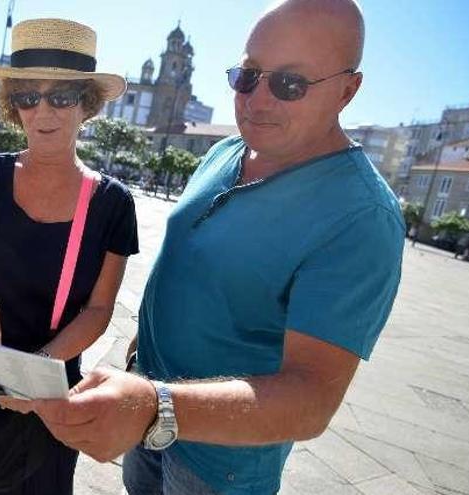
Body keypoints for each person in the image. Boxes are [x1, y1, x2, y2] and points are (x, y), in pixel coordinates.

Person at [33, 1, 405, 494]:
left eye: (289, 84)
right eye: (248, 76)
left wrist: (155, 403)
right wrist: (139, 367)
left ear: (348, 89)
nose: (257, 101)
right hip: (149, 424)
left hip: (219, 465)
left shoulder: (360, 217)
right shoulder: (226, 151)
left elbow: (311, 400)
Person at [0, 18, 138, 495]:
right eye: (28, 96)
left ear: (86, 104)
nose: (42, 110)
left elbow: (99, 309)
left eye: (61, 97)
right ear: (13, 104)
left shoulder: (111, 203)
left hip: (44, 400)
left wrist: (35, 370)